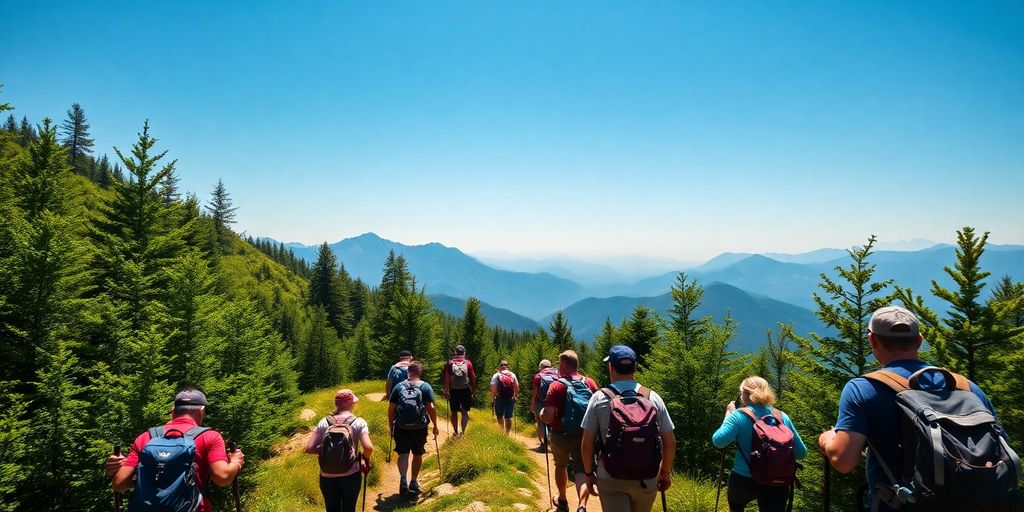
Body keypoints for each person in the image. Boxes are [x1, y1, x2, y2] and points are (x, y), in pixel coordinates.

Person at [817, 306, 1001, 511]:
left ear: (872, 340)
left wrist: (826, 439)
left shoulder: (863, 388)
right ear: (919, 340)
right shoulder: (966, 386)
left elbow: (843, 461)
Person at [105, 388, 245, 512]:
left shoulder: (145, 437)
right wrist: (235, 462)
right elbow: (222, 478)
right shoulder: (210, 437)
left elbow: (119, 484)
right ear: (201, 411)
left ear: (173, 410)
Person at [581, 345, 676, 512]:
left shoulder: (599, 399)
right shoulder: (653, 398)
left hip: (611, 476)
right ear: (635, 368)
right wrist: (665, 472)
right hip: (647, 477)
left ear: (610, 367)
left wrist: (589, 474)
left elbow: (587, 443)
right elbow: (670, 442)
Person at [712, 376, 807, 512]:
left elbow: (718, 441)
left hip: (743, 480)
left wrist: (728, 414)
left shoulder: (738, 416)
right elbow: (801, 453)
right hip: (778, 481)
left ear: (744, 395)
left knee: (736, 507)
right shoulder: (782, 416)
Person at [540, 350, 599, 512]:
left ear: (564, 364)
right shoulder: (590, 383)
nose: (558, 367)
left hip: (561, 435)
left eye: (559, 363)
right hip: (585, 435)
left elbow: (548, 417)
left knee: (561, 465)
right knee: (582, 470)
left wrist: (541, 414)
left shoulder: (557, 385)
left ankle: (563, 500)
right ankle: (582, 506)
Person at [305, 389, 374, 512]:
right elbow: (368, 447)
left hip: (327, 475)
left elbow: (309, 448)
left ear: (336, 404)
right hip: (351, 475)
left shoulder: (323, 422)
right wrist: (364, 459)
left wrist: (326, 451)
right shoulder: (359, 422)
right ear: (351, 404)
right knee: (349, 509)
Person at [388, 360, 440, 496]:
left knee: (403, 453)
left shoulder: (399, 386)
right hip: (419, 426)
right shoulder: (425, 386)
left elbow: (391, 408)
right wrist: (435, 425)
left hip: (401, 425)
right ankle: (413, 482)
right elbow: (431, 408)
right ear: (420, 372)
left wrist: (390, 425)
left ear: (408, 372)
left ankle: (403, 480)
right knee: (417, 454)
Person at [443, 344, 476, 437]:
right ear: (464, 353)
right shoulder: (468, 363)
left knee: (454, 411)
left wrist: (446, 391)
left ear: (455, 352)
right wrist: (473, 392)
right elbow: (473, 378)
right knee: (465, 411)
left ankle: (455, 431)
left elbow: (447, 378)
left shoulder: (450, 363)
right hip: (465, 390)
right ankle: (463, 432)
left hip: (454, 390)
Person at [531, 359, 558, 450]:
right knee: (553, 422)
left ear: (541, 367)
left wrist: (532, 404)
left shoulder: (538, 376)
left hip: (541, 402)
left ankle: (543, 444)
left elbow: (534, 392)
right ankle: (554, 444)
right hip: (555, 402)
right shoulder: (557, 375)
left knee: (541, 422)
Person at [490, 360, 520, 434]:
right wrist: (515, 396)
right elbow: (517, 388)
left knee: (499, 416)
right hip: (510, 398)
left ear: (500, 366)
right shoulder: (512, 375)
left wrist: (494, 395)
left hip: (499, 398)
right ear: (507, 366)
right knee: (508, 417)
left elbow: (492, 387)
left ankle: (501, 431)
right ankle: (507, 433)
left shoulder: (496, 375)